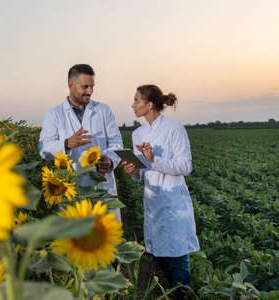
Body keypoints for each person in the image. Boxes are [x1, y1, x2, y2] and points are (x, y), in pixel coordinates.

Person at [121, 84, 199, 299]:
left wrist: (154, 159)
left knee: (177, 257)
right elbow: (142, 174)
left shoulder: (175, 130)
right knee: (159, 257)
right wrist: (134, 170)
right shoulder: (137, 134)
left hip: (173, 201)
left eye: (137, 100)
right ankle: (172, 292)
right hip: (152, 202)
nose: (133, 105)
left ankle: (181, 295)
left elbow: (185, 167)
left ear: (150, 105)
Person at [39, 64, 123, 221]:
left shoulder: (103, 111)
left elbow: (116, 142)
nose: (90, 91)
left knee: (107, 238)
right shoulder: (55, 115)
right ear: (70, 85)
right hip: (72, 189)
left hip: (101, 186)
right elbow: (43, 149)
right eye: (85, 86)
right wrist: (66, 144)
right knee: (76, 241)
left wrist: (110, 160)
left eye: (92, 86)